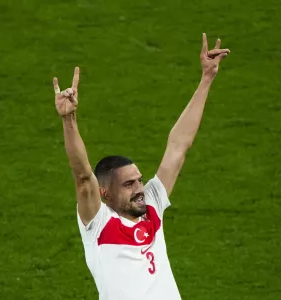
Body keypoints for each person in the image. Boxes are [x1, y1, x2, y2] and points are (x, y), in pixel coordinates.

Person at [52, 33, 230, 300]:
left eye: (138, 180)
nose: (140, 189)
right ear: (105, 193)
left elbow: (178, 146)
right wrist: (69, 119)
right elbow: (82, 176)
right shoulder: (99, 224)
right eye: (128, 184)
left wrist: (207, 78)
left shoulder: (152, 207)